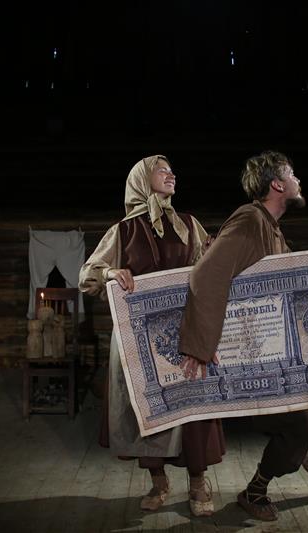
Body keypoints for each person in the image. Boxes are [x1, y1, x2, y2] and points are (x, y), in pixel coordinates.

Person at [177, 150, 308, 521]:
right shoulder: (250, 218)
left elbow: (295, 283)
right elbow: (205, 274)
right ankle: (254, 491)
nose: (298, 180)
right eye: (292, 174)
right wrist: (200, 345)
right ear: (277, 184)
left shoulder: (272, 229)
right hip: (254, 357)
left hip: (283, 351)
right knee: (297, 428)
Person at [79, 155, 226, 517]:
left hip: (184, 333)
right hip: (142, 338)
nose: (171, 174)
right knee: (147, 408)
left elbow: (211, 264)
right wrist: (112, 272)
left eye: (172, 170)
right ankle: (158, 481)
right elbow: (88, 275)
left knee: (193, 408)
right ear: (142, 180)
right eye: (162, 170)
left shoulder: (188, 224)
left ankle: (198, 481)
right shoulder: (123, 231)